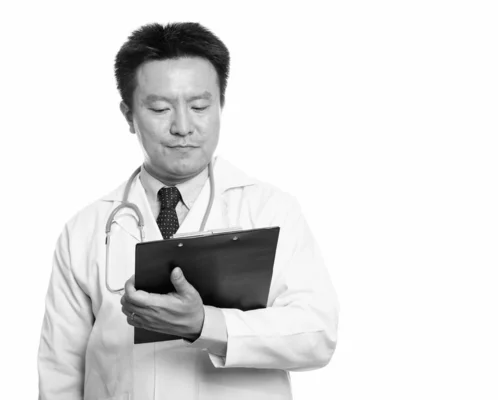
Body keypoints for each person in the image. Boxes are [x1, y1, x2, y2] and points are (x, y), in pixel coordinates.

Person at [37, 22, 339, 400]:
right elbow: (60, 376)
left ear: (221, 105)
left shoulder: (270, 210)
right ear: (128, 114)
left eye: (199, 106)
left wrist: (205, 324)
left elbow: (317, 334)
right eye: (160, 108)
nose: (183, 126)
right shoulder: (85, 230)